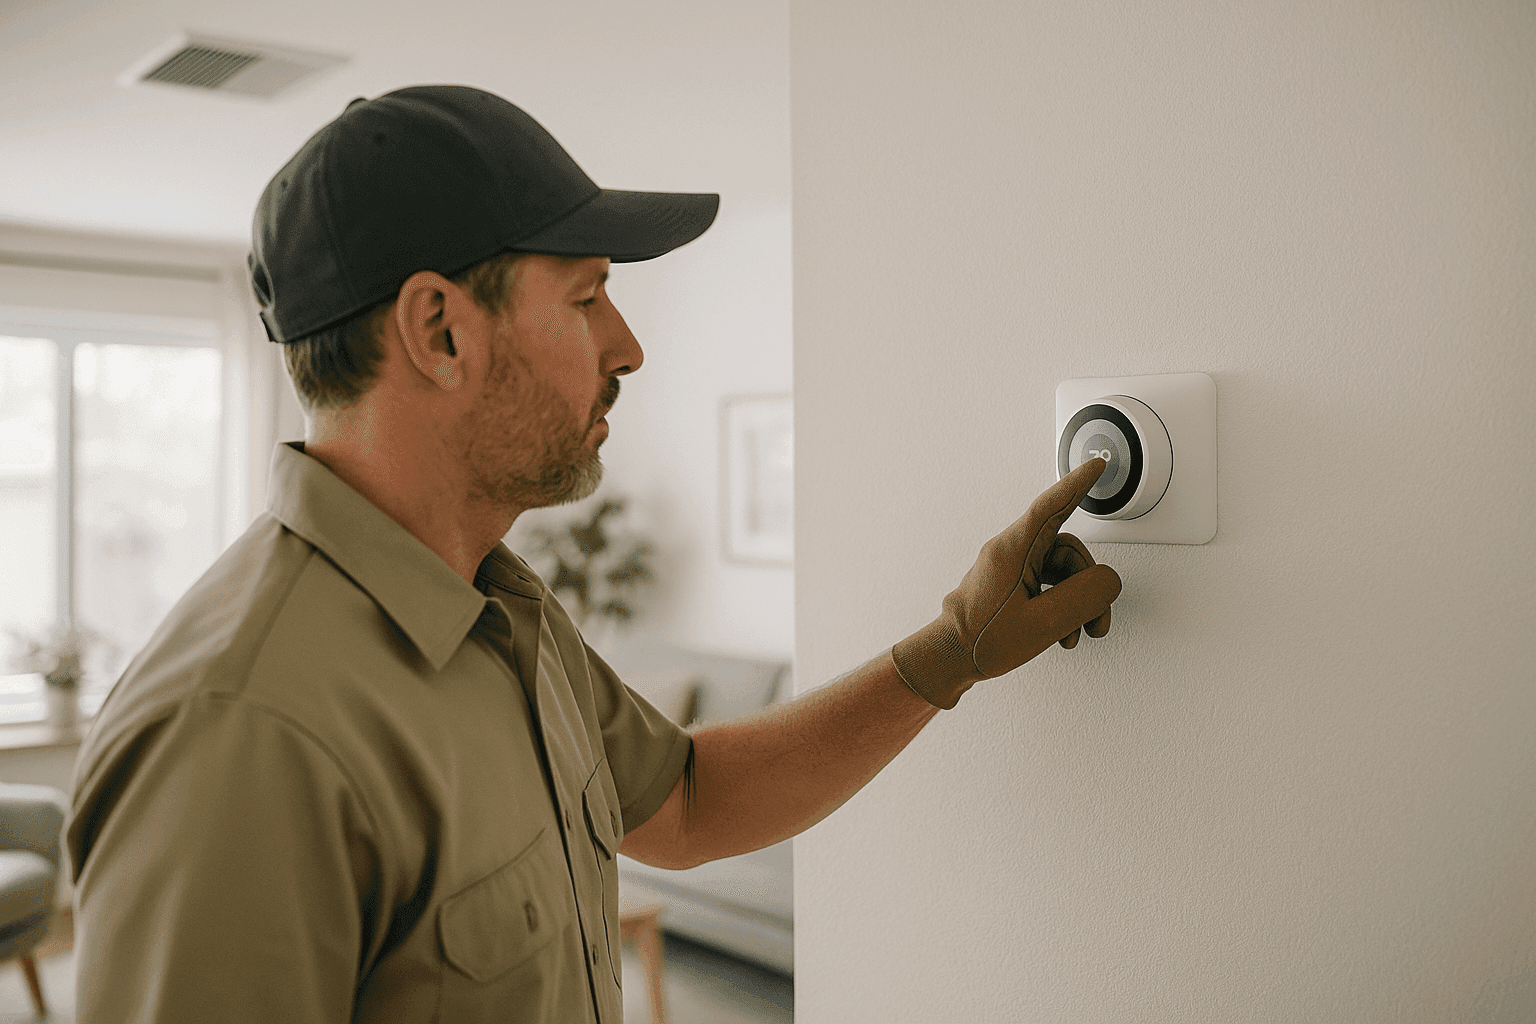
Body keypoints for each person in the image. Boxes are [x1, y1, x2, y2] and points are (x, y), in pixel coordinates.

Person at [65, 85, 1123, 1023]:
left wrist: (954, 648)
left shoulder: (503, 609)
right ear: (440, 331)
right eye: (584, 298)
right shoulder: (240, 733)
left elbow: (689, 801)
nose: (628, 346)